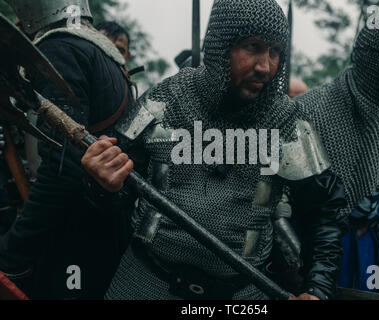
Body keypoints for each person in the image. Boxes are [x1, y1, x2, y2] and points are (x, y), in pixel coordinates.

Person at [81, 0, 347, 300]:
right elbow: (116, 192)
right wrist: (101, 184)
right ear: (221, 46)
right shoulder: (167, 101)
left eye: (274, 52)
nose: (265, 66)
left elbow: (325, 210)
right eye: (253, 47)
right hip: (147, 281)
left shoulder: (285, 121)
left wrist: (317, 289)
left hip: (241, 294)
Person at [0, 0, 134, 299]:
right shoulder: (96, 46)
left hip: (74, 228)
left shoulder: (61, 49)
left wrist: (12, 252)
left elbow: (63, 168)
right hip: (98, 221)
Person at [295, 13, 379, 297]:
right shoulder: (310, 111)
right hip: (316, 251)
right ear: (377, 60)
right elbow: (280, 207)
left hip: (370, 249)